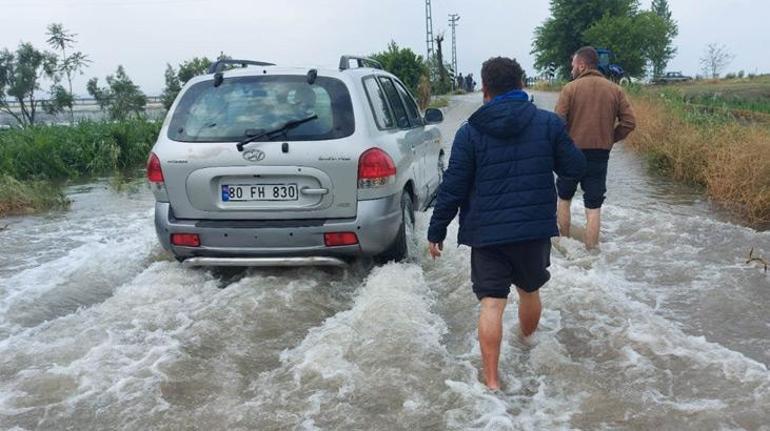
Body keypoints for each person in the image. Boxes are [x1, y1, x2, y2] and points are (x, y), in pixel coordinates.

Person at [427, 57, 586, 390]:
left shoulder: (469, 132)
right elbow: (574, 166)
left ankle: (492, 381)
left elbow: (453, 186)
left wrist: (436, 230)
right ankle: (528, 345)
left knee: (491, 303)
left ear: (485, 90)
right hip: (532, 230)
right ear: (521, 84)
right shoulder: (548, 124)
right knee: (529, 293)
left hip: (487, 234)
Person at [554, 46, 636, 249]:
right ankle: (592, 254)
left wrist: (562, 145)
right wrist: (609, 139)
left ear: (582, 65)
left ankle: (565, 248)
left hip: (571, 153)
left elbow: (557, 123)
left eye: (573, 65)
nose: (571, 69)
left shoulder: (569, 89)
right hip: (600, 154)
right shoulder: (615, 89)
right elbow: (629, 123)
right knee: (593, 207)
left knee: (564, 199)